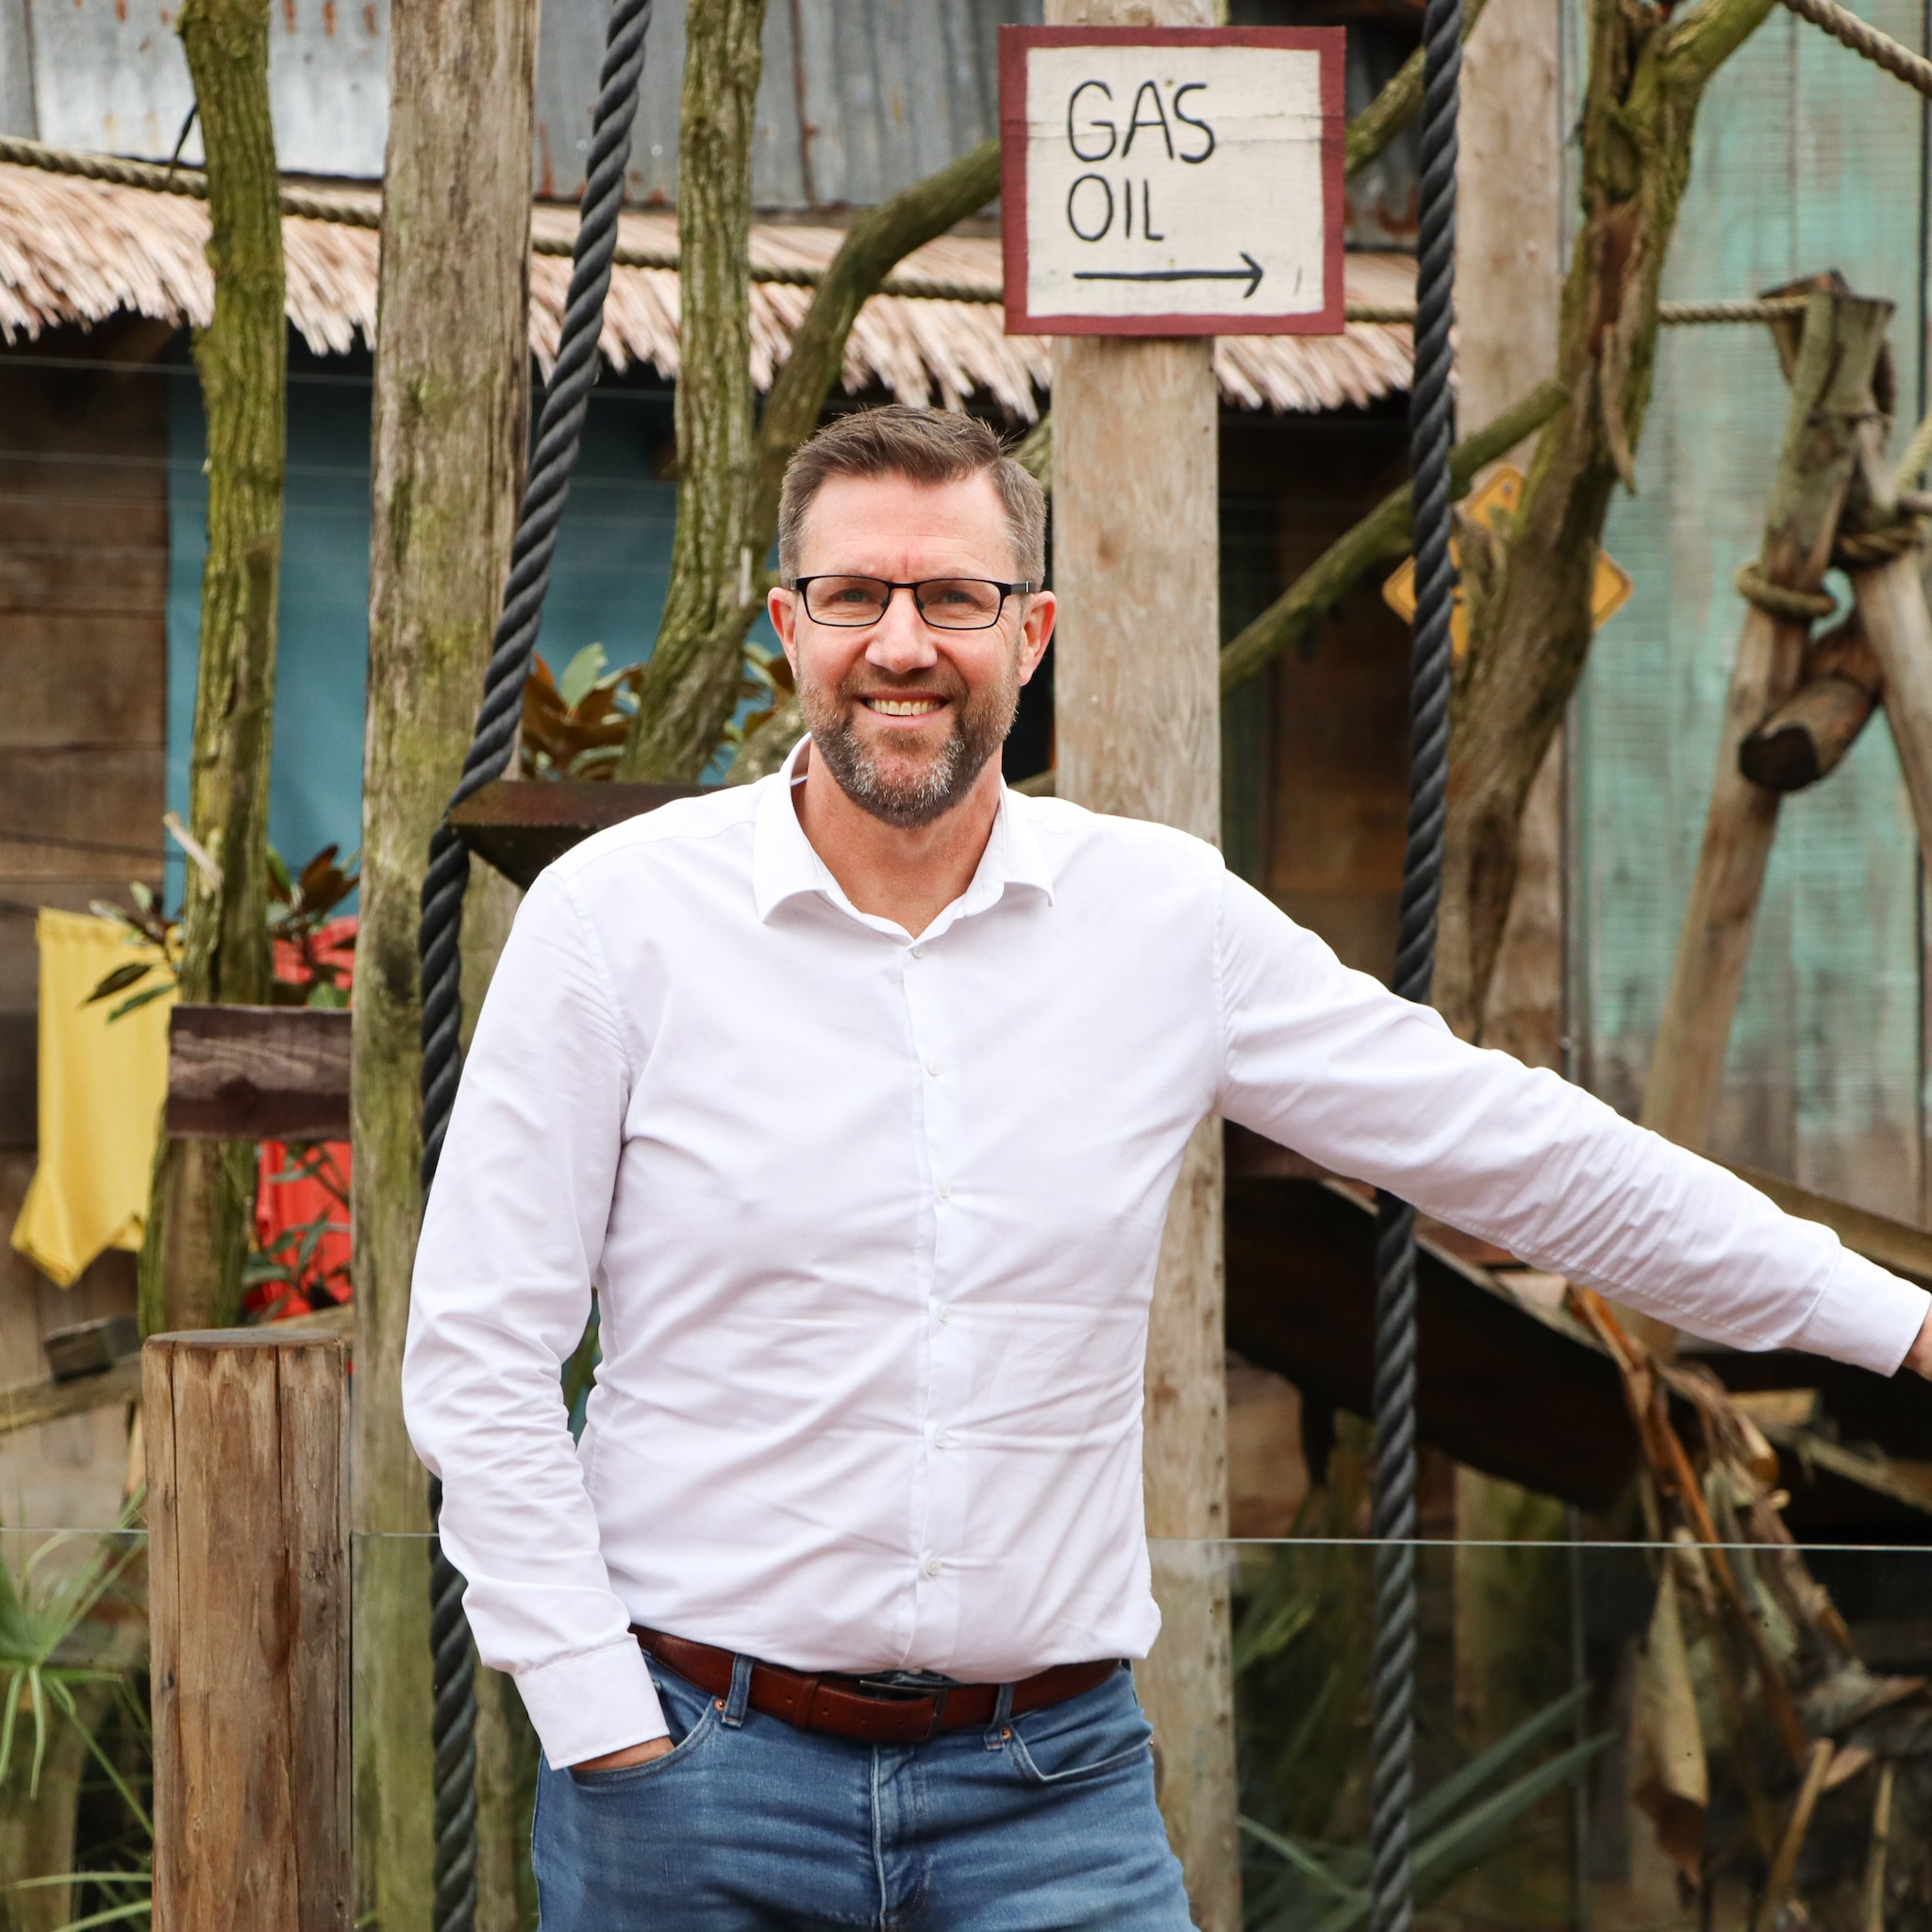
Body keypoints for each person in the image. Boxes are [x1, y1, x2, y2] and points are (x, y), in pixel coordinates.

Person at [403, 404, 1932, 1931]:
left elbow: (1516, 1149)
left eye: (956, 598)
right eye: (856, 596)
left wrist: (1899, 1322)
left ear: (1034, 631)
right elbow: (481, 1347)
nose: (903, 643)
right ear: (789, 626)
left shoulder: (1158, 922)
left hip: (1049, 1801)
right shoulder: (618, 924)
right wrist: (596, 1707)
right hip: (697, 1786)